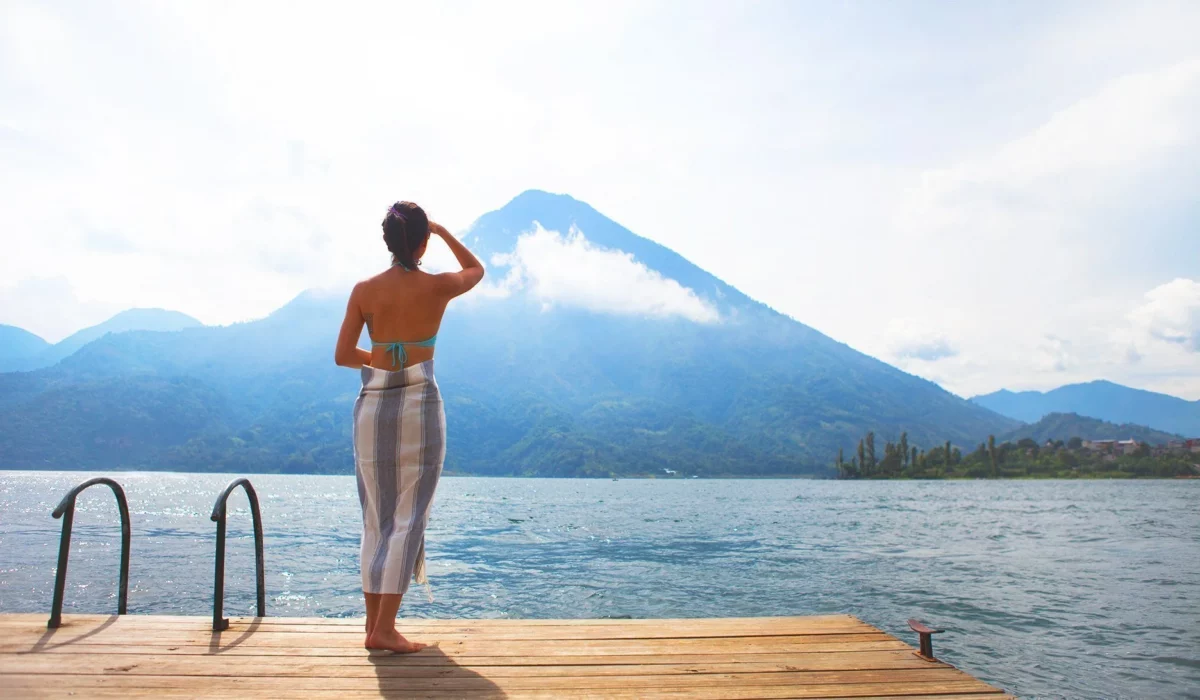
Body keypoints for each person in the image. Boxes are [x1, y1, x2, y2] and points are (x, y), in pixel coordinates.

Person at [334, 200, 484, 653]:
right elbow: (476, 269)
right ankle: (384, 630)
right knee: (408, 520)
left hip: (373, 408)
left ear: (386, 242)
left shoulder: (364, 290)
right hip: (419, 404)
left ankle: (373, 627)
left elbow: (343, 355)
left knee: (375, 522)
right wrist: (441, 231)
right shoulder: (437, 287)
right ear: (420, 242)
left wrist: (382, 357)